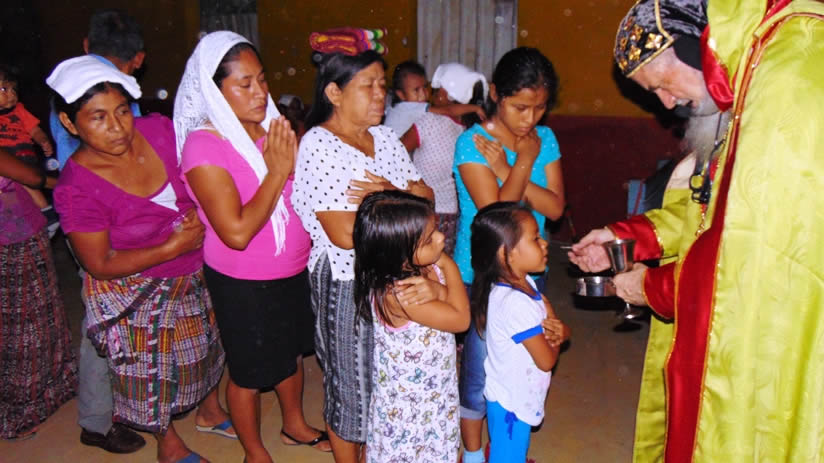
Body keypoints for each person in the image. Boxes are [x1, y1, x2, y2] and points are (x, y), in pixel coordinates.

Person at [569, 0, 824, 461]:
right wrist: (625, 238)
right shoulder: (750, 75)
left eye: (661, 85)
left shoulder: (786, 79)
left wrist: (654, 287)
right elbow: (709, 212)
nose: (668, 105)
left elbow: (753, 259)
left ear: (693, 49)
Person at [49, 55, 230, 463]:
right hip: (134, 284)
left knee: (207, 344)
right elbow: (100, 263)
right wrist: (172, 247)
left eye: (121, 111)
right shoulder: (77, 187)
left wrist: (202, 213)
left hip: (196, 268)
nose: (117, 127)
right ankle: (168, 442)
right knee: (151, 367)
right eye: (98, 118)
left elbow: (202, 171)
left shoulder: (159, 131)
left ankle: (210, 408)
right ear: (69, 123)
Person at [176, 31, 330, 463]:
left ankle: (294, 425)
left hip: (292, 269)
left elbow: (302, 192)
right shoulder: (204, 146)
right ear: (214, 90)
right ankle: (254, 452)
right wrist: (277, 171)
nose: (260, 92)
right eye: (244, 84)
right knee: (248, 372)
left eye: (261, 79)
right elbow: (237, 232)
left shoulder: (272, 128)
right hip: (243, 280)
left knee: (289, 354)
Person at [292, 49, 434, 462]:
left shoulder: (386, 138)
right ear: (334, 93)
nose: (379, 95)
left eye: (382, 86)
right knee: (350, 386)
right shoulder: (319, 145)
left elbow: (426, 199)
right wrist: (400, 199)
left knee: (387, 379)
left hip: (394, 273)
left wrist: (385, 193)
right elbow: (342, 234)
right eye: (367, 86)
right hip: (346, 280)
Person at [453, 47, 565, 463]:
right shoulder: (472, 144)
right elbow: (496, 217)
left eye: (540, 108)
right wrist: (524, 162)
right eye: (520, 107)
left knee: (521, 367)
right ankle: (471, 454)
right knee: (480, 371)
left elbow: (555, 208)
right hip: (483, 276)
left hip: (531, 266)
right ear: (496, 93)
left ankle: (504, 445)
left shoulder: (544, 139)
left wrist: (508, 171)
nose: (530, 119)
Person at [47, 8, 148, 454]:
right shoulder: (111, 94)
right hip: (97, 216)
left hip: (101, 215)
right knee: (102, 318)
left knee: (114, 314)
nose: (117, 123)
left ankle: (118, 405)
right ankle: (96, 419)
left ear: (88, 45)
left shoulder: (75, 89)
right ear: (139, 59)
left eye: (121, 113)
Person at [352, 190, 470, 463]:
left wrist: (440, 288)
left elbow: (452, 301)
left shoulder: (427, 265)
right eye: (429, 239)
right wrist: (448, 265)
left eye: (436, 229)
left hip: (434, 393)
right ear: (399, 254)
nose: (440, 238)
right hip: (409, 410)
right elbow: (461, 318)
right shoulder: (402, 294)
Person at [470, 202, 568, 462]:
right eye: (535, 238)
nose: (545, 243)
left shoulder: (527, 284)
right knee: (509, 452)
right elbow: (546, 360)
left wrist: (558, 329)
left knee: (509, 450)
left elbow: (549, 324)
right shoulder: (514, 303)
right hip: (511, 404)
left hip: (515, 395)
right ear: (507, 255)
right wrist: (557, 335)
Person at [0, 148, 76, 441]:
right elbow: (32, 177)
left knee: (31, 321)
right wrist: (71, 180)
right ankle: (19, 411)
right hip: (15, 242)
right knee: (27, 326)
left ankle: (49, 391)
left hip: (17, 237)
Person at [398, 62, 487, 256]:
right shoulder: (471, 132)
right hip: (451, 215)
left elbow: (396, 153)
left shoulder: (428, 121)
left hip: (420, 210)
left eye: (436, 90)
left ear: (444, 94)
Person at [0, 64, 58, 233]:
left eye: (14, 90)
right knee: (21, 190)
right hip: (6, 158)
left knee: (28, 183)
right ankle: (40, 216)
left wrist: (43, 140)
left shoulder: (19, 110)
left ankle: (47, 213)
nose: (11, 94)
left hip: (23, 154)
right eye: (4, 89)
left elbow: (34, 130)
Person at [383, 60, 486, 141]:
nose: (423, 94)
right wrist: (475, 108)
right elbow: (448, 110)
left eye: (425, 87)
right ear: (401, 95)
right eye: (416, 90)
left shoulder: (399, 108)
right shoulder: (409, 107)